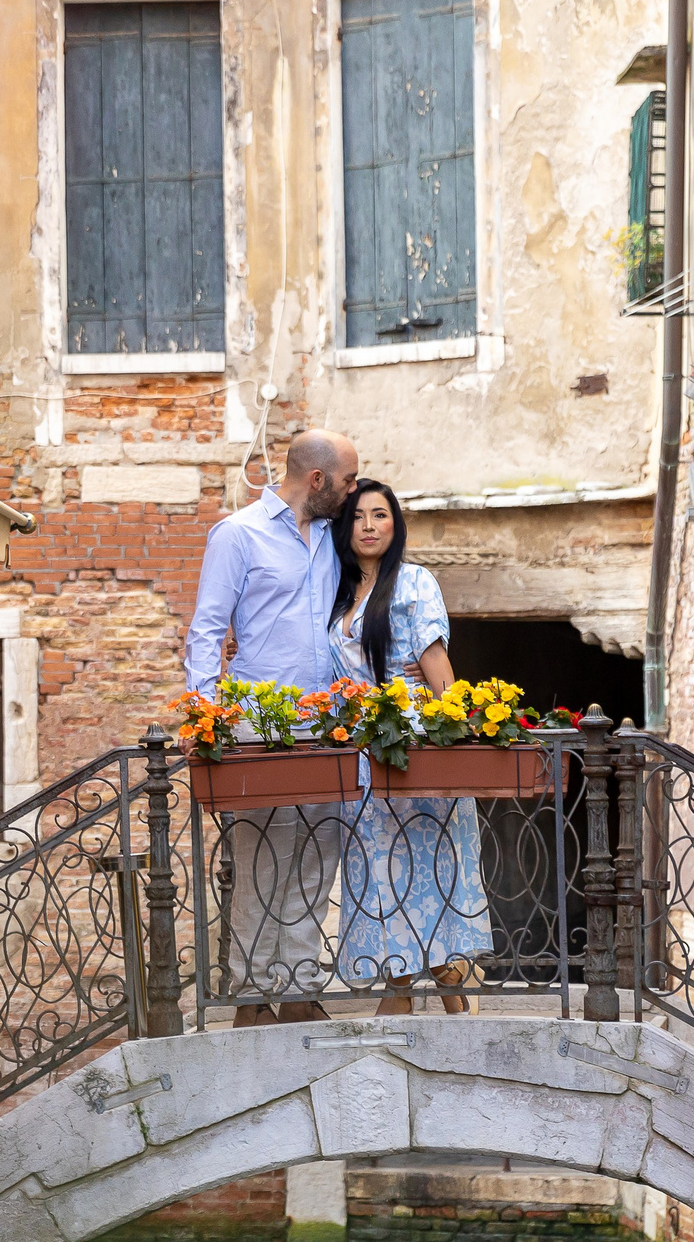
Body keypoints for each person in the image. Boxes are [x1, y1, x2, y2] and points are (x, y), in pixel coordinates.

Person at [185, 430, 360, 1027]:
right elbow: (207, 629)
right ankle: (251, 995)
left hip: (331, 723)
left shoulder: (337, 540)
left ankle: (300, 988)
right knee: (260, 857)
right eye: (347, 480)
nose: (353, 490)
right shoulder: (238, 535)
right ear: (317, 481)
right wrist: (206, 718)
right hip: (259, 722)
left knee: (319, 854)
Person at [324, 480, 491, 1015]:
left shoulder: (415, 582)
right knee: (376, 868)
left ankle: (436, 978)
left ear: (395, 527)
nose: (369, 525)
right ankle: (415, 979)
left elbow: (435, 662)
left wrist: (456, 729)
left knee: (428, 863)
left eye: (381, 515)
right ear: (344, 527)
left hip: (414, 738)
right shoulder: (335, 590)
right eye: (358, 516)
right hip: (360, 750)